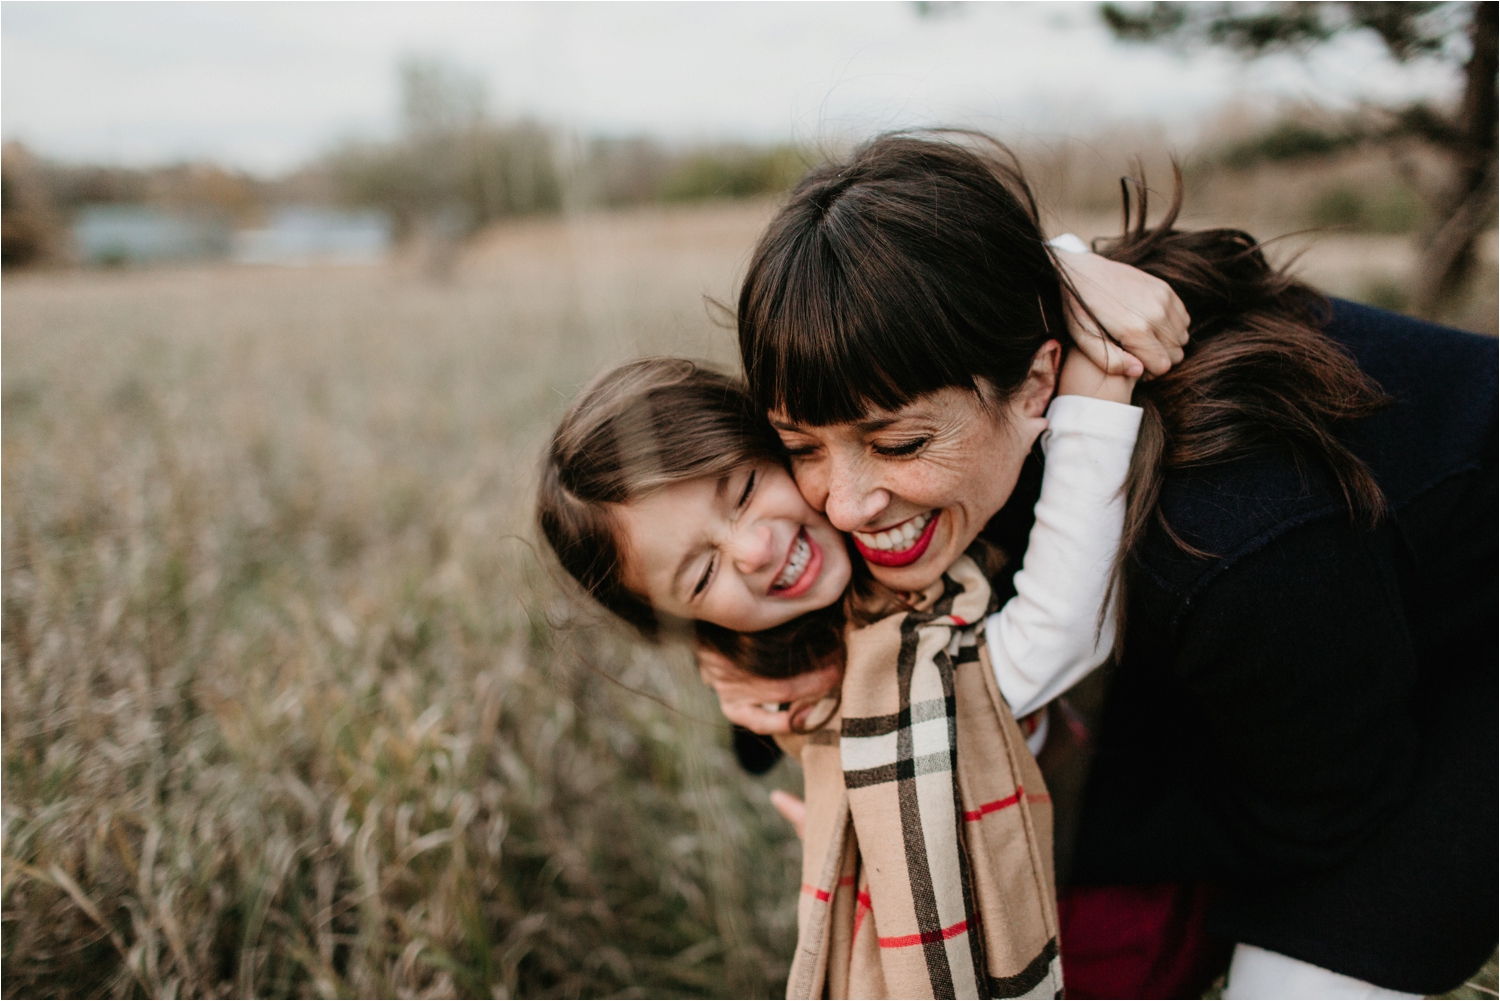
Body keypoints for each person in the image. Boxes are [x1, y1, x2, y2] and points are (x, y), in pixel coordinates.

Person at [712, 131, 1497, 999]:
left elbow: (1324, 813)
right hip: (1329, 652)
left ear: (1038, 384)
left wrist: (983, 787)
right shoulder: (990, 337)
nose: (847, 503)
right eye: (801, 447)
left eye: (898, 443)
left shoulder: (1235, 539)